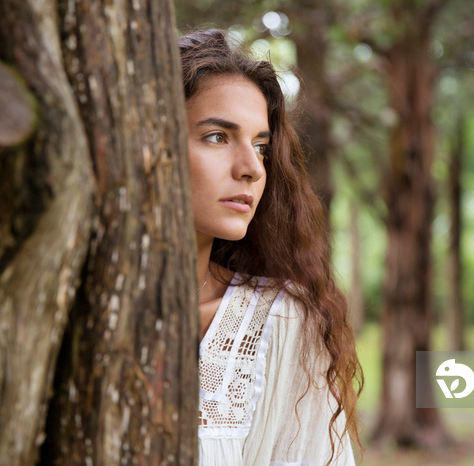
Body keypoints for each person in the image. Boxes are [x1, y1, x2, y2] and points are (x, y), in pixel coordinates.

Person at [180, 29, 362, 466]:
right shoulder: (63, 309)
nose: (251, 169)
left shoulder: (279, 321)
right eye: (218, 137)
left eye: (261, 146)